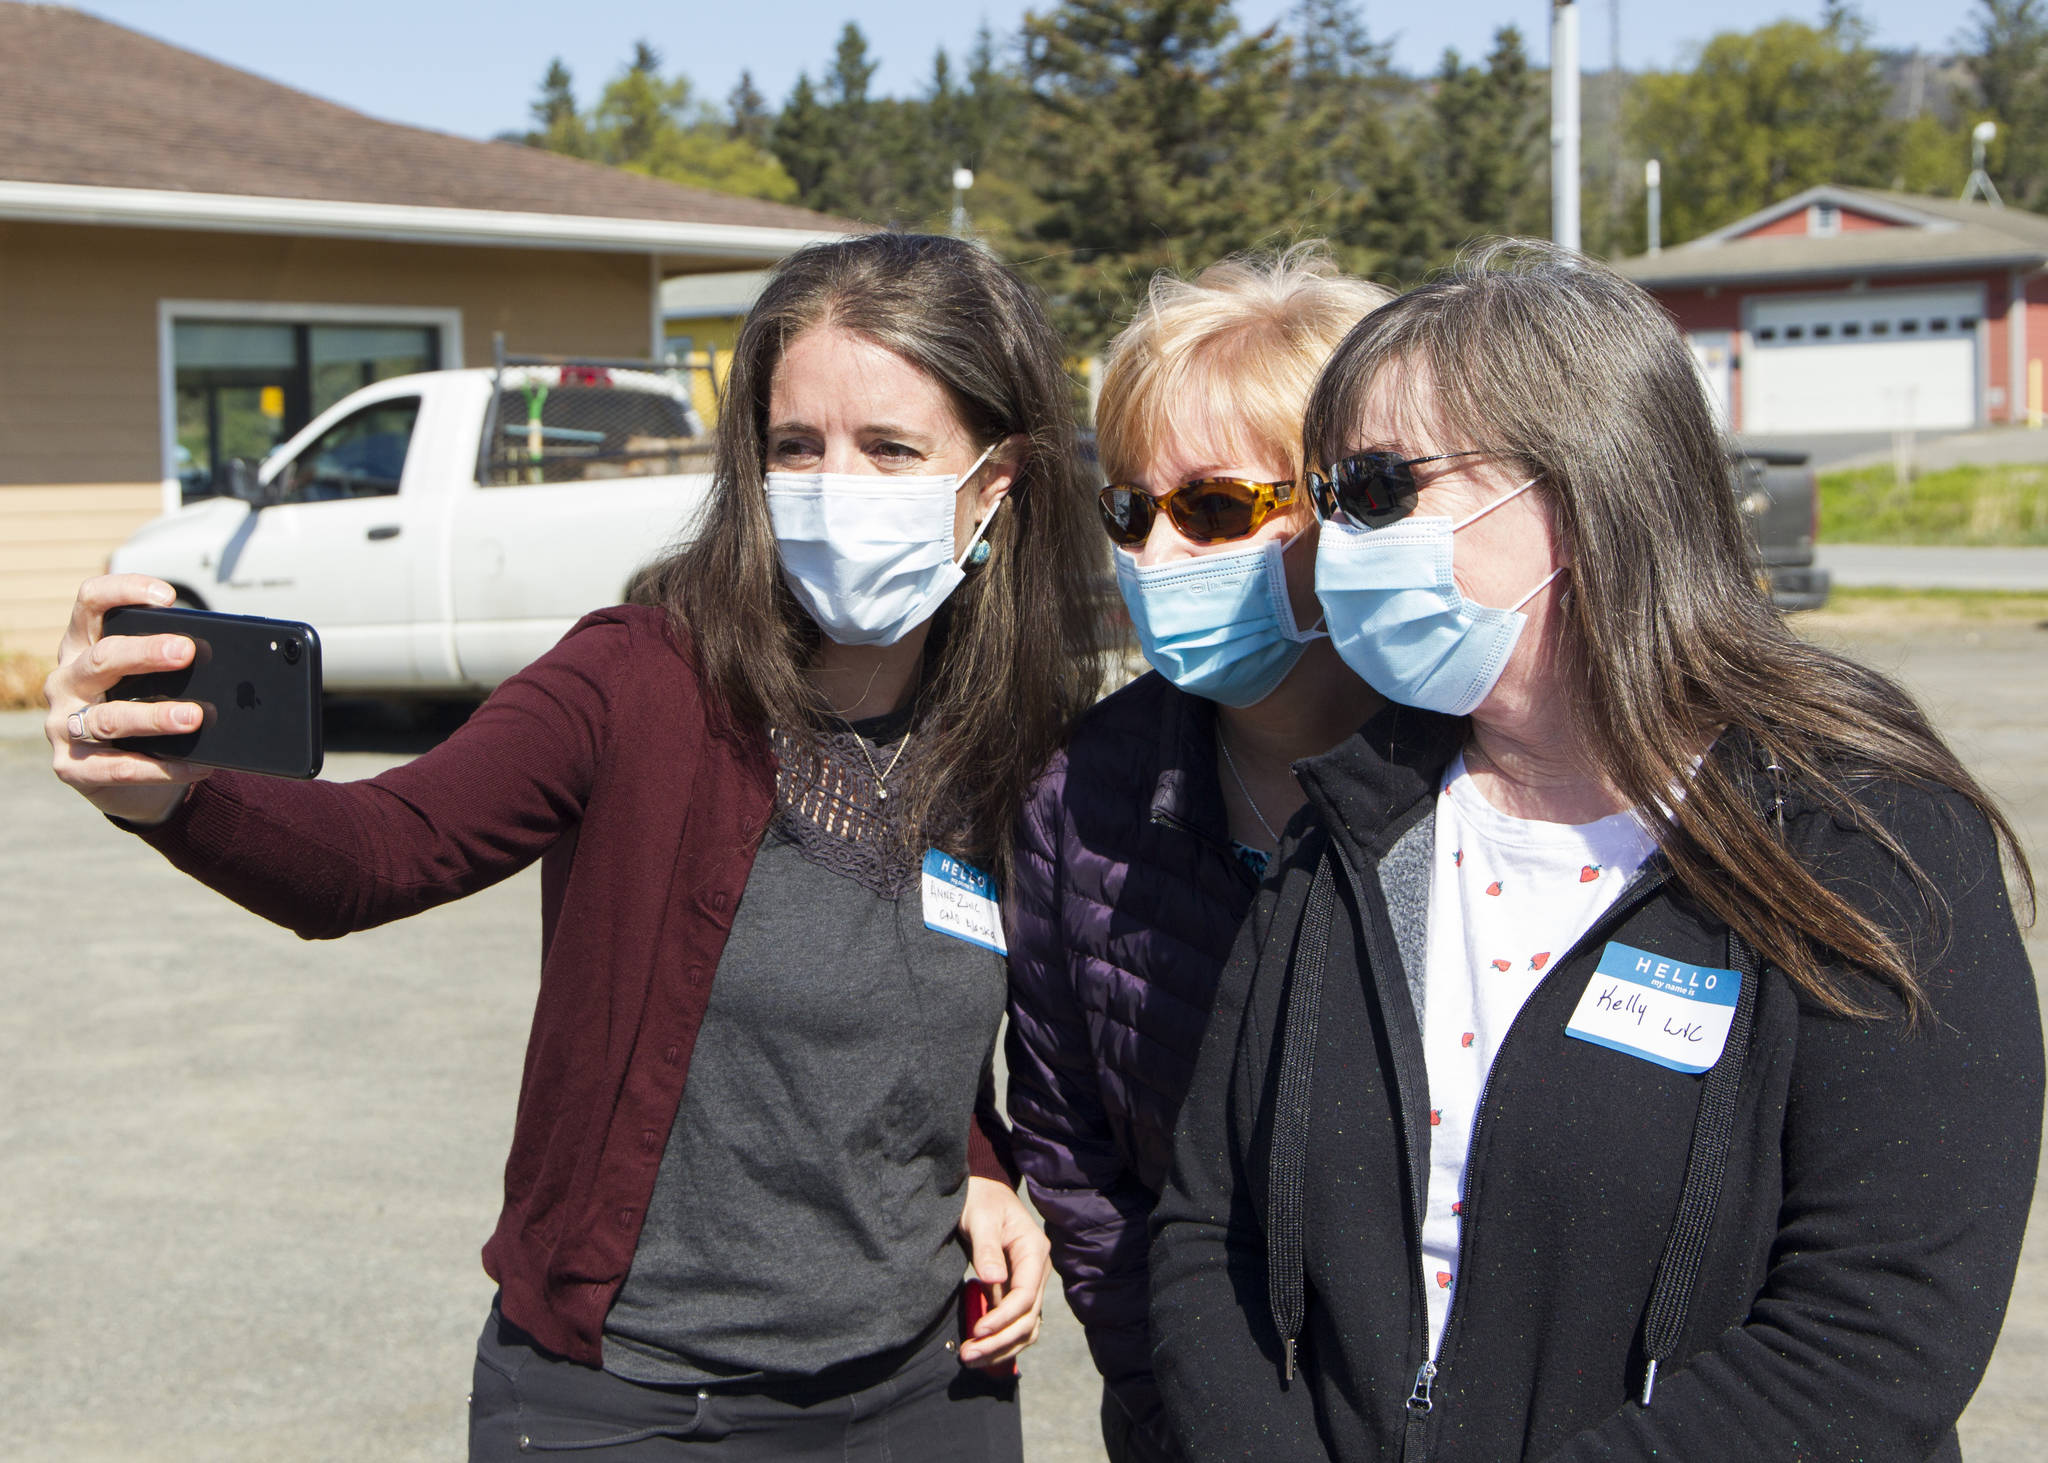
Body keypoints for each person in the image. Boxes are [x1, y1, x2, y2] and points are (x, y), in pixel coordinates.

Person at [45, 232, 1110, 1462]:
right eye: (794, 446)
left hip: (925, 1390)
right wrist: (179, 798)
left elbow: (928, 1020)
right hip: (640, 1408)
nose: (834, 483)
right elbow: (382, 847)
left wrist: (980, 1161)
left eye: (889, 448)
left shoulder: (1015, 730)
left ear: (995, 482)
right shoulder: (641, 677)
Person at [1149, 240, 2043, 1463]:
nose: (1333, 541)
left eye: (1372, 489)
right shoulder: (1352, 821)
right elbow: (1210, 1232)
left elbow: (1880, 1327)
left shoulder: (1860, 831)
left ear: (1585, 485)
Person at [1004, 248, 1387, 1463]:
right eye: (1129, 509)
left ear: (1348, 501)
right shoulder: (1081, 790)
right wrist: (1188, 1403)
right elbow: (1074, 1156)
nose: (1157, 555)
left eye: (1216, 507)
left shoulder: (1495, 776)